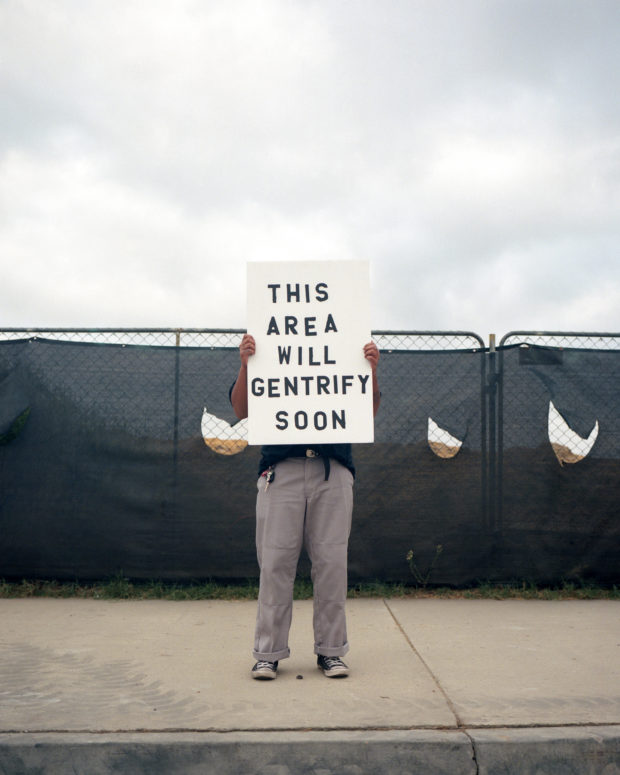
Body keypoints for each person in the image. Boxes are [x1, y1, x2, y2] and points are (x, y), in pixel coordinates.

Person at [230, 333, 380, 679]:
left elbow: (366, 412)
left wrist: (370, 368)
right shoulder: (268, 347)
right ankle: (268, 652)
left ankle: (331, 651)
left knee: (331, 564)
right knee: (275, 564)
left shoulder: (344, 343)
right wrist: (245, 364)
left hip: (334, 470)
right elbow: (241, 410)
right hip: (281, 470)